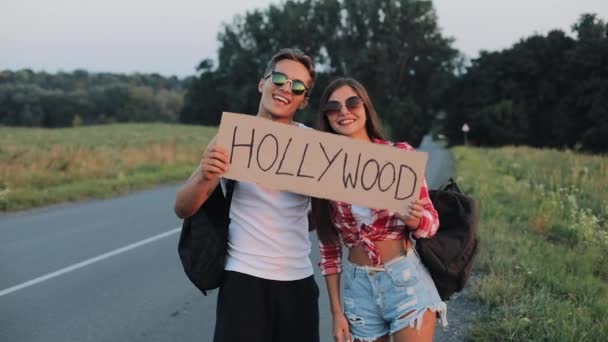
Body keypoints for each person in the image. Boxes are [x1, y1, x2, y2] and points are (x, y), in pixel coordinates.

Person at [174, 48, 320, 342]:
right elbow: (183, 207)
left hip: (297, 281)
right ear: (262, 82)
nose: (285, 89)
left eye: (298, 86)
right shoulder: (234, 136)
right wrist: (206, 173)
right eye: (279, 78)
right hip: (243, 279)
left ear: (303, 100)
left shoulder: (313, 146)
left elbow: (315, 221)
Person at [311, 78, 447, 342]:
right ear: (326, 116)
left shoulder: (399, 156)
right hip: (358, 289)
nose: (344, 111)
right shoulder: (323, 170)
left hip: (405, 281)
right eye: (333, 107)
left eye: (352, 103)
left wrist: (415, 219)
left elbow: (432, 224)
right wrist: (336, 312)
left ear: (366, 107)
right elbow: (329, 249)